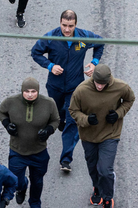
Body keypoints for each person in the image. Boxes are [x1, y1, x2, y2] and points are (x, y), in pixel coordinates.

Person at [31, 10, 104, 172]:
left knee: (73, 121)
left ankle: (66, 159)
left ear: (75, 25)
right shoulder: (51, 37)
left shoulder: (84, 36)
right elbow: (35, 52)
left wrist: (94, 62)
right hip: (55, 86)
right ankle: (61, 118)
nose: (67, 30)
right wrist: (50, 66)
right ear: (60, 23)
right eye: (64, 25)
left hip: (76, 87)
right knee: (58, 115)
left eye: (70, 26)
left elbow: (100, 43)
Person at [69, 64, 135, 208]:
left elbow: (130, 100)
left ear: (109, 81)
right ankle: (97, 188)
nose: (99, 86)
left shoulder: (121, 87)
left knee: (104, 170)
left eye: (103, 84)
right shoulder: (81, 90)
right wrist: (86, 120)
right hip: (88, 136)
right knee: (93, 167)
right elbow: (73, 110)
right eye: (97, 83)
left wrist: (118, 113)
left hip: (110, 134)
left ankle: (107, 197)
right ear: (93, 79)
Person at [0, 77, 59, 208]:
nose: (30, 94)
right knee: (16, 181)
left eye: (33, 91)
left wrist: (49, 130)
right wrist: (7, 124)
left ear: (38, 91)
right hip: (17, 151)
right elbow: (1, 111)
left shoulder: (49, 103)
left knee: (37, 182)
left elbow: (55, 120)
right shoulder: (11, 102)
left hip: (39, 151)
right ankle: (22, 187)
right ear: (22, 91)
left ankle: (35, 202)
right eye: (27, 91)